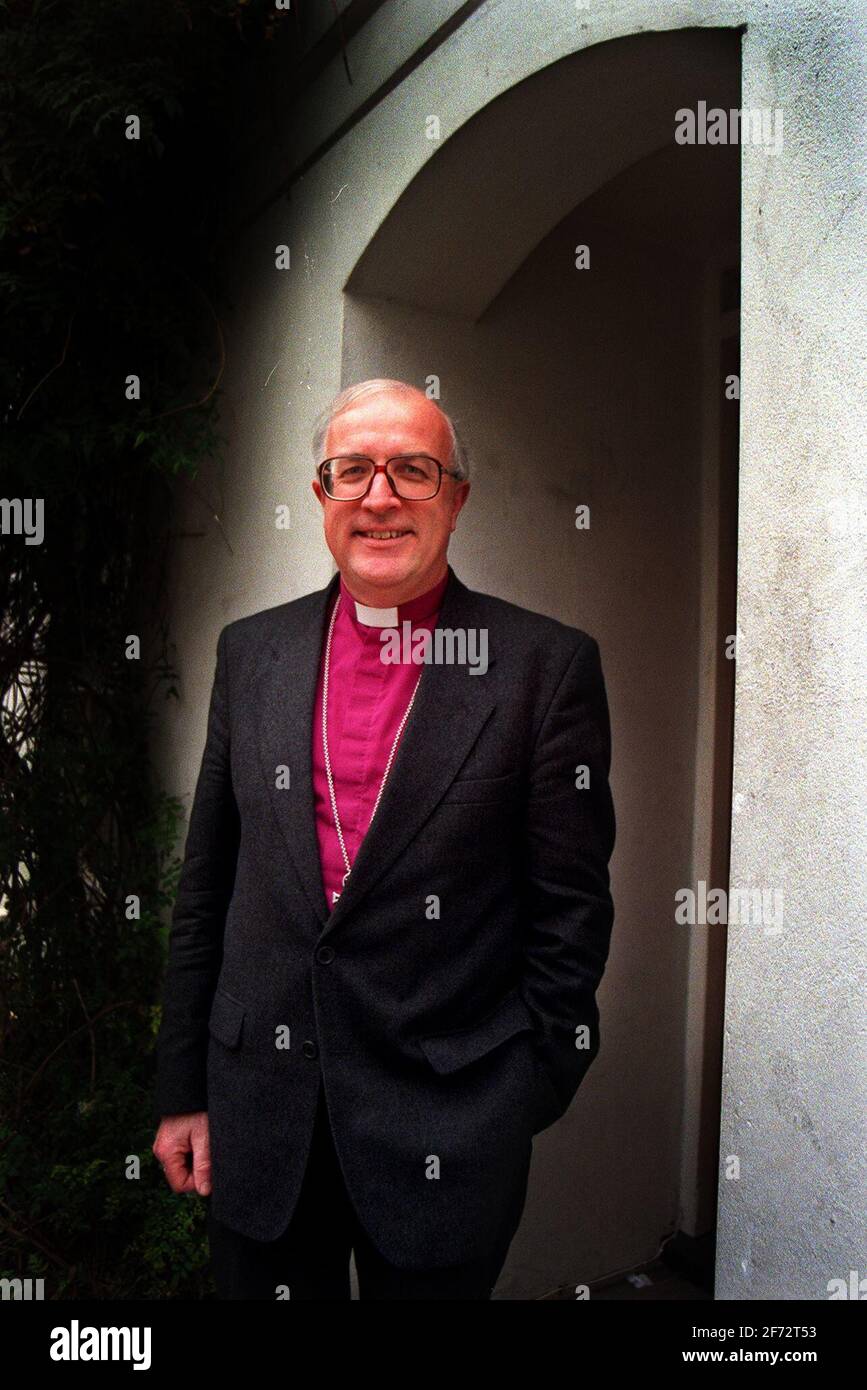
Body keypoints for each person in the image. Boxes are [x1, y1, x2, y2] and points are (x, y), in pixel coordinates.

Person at [152, 378, 616, 1299]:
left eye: (413, 470)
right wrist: (183, 1086)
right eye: (352, 470)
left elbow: (572, 910)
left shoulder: (543, 667)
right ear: (322, 495)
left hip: (447, 1121)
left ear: (455, 498)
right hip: (261, 1114)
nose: (380, 495)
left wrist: (522, 1092)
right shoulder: (251, 652)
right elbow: (207, 883)